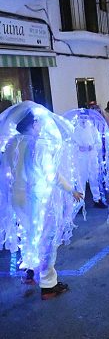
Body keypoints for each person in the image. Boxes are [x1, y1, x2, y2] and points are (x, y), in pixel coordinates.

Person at [0, 102, 83, 299]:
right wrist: (71, 189)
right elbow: (51, 175)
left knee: (29, 234)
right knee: (47, 238)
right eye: (38, 122)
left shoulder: (12, 143)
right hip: (38, 198)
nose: (40, 126)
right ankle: (48, 284)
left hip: (18, 198)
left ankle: (30, 271)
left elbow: (7, 171)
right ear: (33, 123)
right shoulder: (39, 145)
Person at [72, 113, 105, 208]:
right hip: (81, 159)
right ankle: (79, 203)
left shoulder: (92, 128)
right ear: (78, 117)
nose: (84, 119)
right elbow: (72, 143)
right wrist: (78, 148)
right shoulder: (75, 129)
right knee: (81, 179)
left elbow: (98, 142)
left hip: (91, 157)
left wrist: (93, 147)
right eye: (81, 117)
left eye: (85, 117)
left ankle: (97, 199)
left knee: (94, 178)